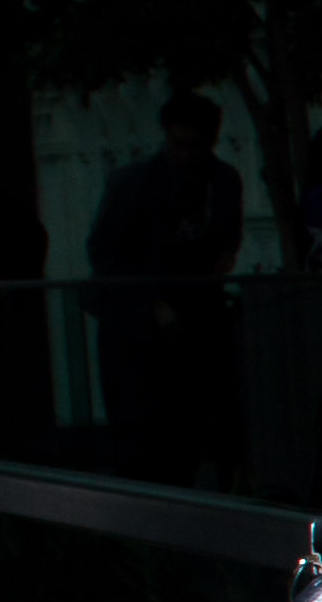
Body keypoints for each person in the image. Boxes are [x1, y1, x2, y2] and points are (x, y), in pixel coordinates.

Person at [90, 84, 244, 479]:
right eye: (178, 144)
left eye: (195, 146)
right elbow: (106, 254)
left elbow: (227, 234)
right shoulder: (133, 184)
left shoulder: (222, 182)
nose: (185, 155)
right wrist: (150, 304)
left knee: (190, 430)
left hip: (196, 317)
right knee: (143, 436)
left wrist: (223, 255)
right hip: (137, 330)